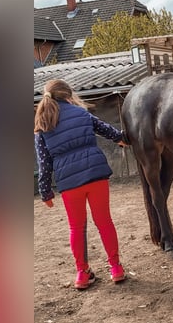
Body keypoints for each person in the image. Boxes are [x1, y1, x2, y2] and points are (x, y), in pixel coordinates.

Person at [34, 79, 128, 289]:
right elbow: (106, 129)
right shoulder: (82, 113)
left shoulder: (42, 125)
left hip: (69, 182)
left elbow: (44, 162)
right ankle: (116, 268)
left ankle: (82, 274)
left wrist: (45, 192)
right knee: (104, 221)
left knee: (76, 227)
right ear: (69, 95)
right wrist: (121, 139)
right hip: (96, 174)